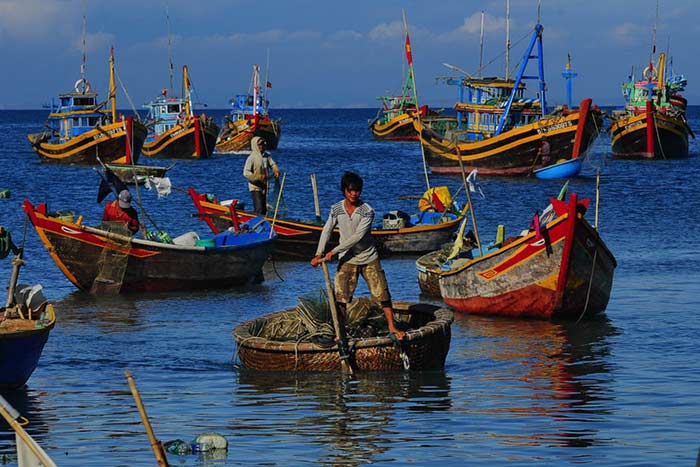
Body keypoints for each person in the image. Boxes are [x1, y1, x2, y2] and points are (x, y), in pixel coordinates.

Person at [310, 171, 406, 340]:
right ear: (344, 191)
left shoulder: (367, 211)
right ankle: (339, 333)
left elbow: (357, 237)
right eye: (350, 191)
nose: (354, 194)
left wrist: (334, 251)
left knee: (382, 294)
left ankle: (392, 327)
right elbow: (326, 230)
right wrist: (319, 253)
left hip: (368, 257)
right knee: (341, 298)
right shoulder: (336, 209)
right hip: (347, 259)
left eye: (357, 191)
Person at [243, 136, 280, 215]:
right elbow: (246, 173)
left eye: (263, 144)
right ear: (255, 145)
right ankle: (256, 223)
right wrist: (257, 177)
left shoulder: (266, 156)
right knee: (259, 208)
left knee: (264, 209)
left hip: (264, 186)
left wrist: (276, 169)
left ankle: (264, 222)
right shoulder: (251, 158)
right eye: (259, 145)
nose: (261, 146)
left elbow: (272, 164)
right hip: (255, 186)